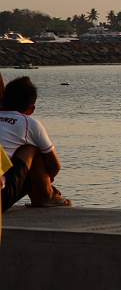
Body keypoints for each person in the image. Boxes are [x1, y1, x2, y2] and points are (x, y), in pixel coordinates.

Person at [0, 76, 70, 211]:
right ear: (31, 109)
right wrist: (44, 180)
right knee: (31, 148)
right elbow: (55, 166)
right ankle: (45, 196)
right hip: (2, 197)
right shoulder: (28, 123)